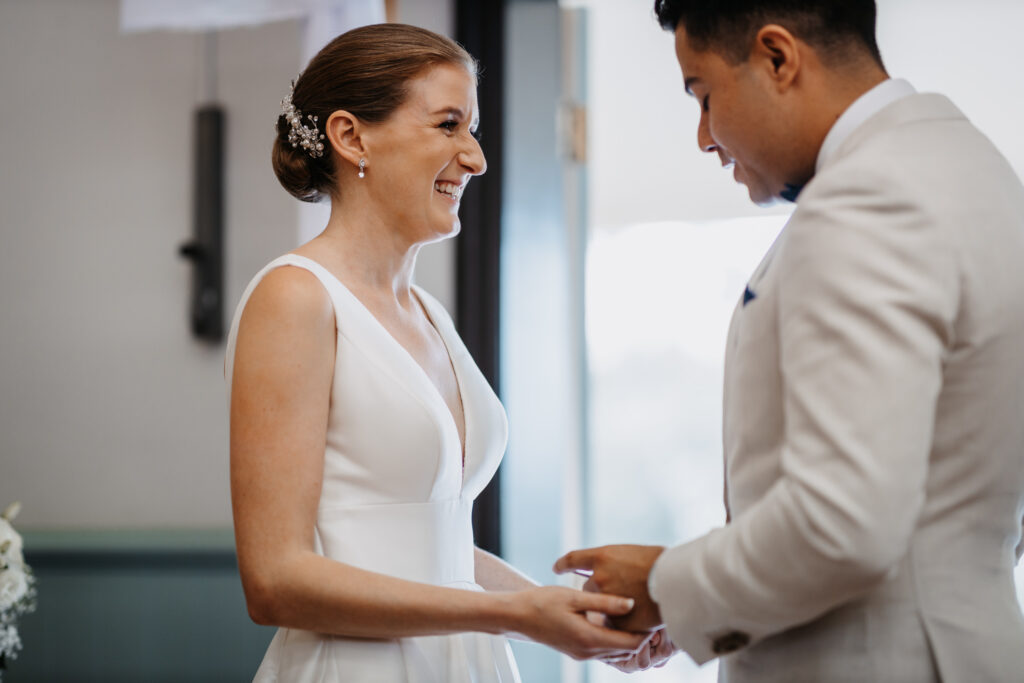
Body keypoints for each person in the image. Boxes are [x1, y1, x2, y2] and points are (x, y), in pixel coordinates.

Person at [555, 1, 1024, 680]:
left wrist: (664, 585)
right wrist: (709, 605)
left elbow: (844, 524)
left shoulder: (865, 201)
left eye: (704, 94)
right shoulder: (976, 169)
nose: (702, 136)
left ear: (778, 57)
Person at [226, 23, 648, 682]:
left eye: (472, 129)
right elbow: (275, 580)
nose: (475, 156)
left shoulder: (429, 315)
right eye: (449, 125)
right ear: (350, 136)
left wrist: (571, 614)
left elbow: (439, 545)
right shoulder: (295, 299)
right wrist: (510, 615)